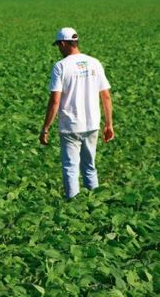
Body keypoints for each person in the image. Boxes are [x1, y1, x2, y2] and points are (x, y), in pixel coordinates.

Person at [39, 27, 114, 199]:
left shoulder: (60, 66)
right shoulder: (94, 62)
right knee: (90, 166)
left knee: (71, 167)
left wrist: (45, 128)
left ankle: (73, 203)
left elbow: (55, 101)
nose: (59, 49)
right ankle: (95, 202)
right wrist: (109, 124)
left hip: (70, 125)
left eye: (59, 45)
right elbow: (106, 97)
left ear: (63, 43)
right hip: (92, 124)